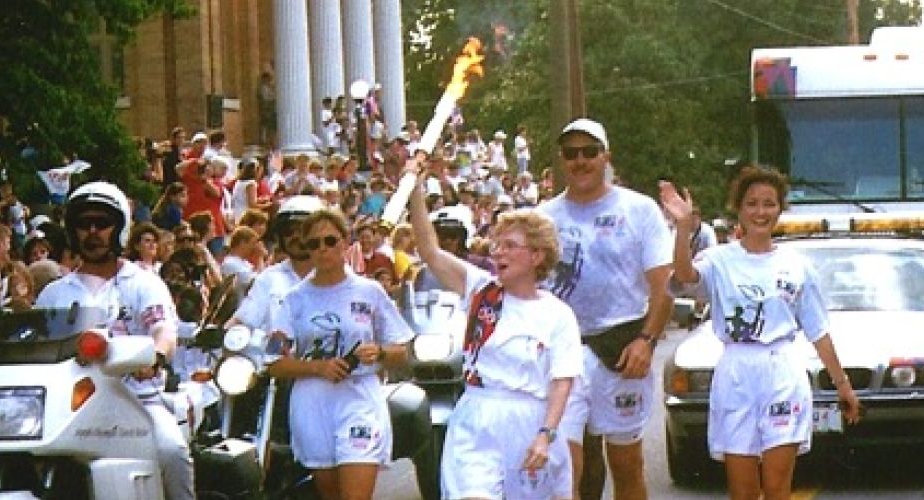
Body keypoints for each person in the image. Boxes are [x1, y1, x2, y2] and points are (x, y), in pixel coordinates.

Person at [659, 168, 861, 499]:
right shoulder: (719, 260)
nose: (760, 212)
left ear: (780, 210)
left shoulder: (796, 266)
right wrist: (682, 228)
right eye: (752, 203)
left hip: (782, 372)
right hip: (736, 373)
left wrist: (843, 386)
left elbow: (819, 331)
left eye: (769, 204)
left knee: (777, 488)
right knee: (743, 491)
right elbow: (685, 275)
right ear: (738, 209)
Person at [407, 157, 581, 499]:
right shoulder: (481, 291)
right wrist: (415, 189)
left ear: (537, 256)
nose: (498, 252)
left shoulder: (558, 315)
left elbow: (562, 381)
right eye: (496, 244)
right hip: (478, 417)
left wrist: (546, 434)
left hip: (531, 422)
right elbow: (429, 251)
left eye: (510, 246)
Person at [537, 118, 672, 500]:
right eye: (571, 153)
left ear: (605, 156)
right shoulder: (545, 217)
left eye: (590, 152)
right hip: (564, 352)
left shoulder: (639, 209)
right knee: (567, 465)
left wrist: (646, 340)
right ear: (562, 159)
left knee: (627, 465)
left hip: (621, 347)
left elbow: (664, 286)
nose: (581, 161)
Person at [33, 181, 193, 500]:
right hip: (69, 406)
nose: (92, 232)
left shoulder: (142, 283)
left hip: (136, 399)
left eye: (102, 224)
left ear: (119, 229)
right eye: (83, 224)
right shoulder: (55, 292)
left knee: (171, 450)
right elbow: (35, 347)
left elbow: (162, 328)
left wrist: (156, 356)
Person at [267, 208, 412, 500]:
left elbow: (403, 349)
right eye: (313, 244)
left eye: (330, 241)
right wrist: (318, 368)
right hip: (313, 402)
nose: (322, 249)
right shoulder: (293, 299)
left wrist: (380, 351)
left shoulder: (370, 292)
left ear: (346, 242)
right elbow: (273, 362)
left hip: (359, 397)